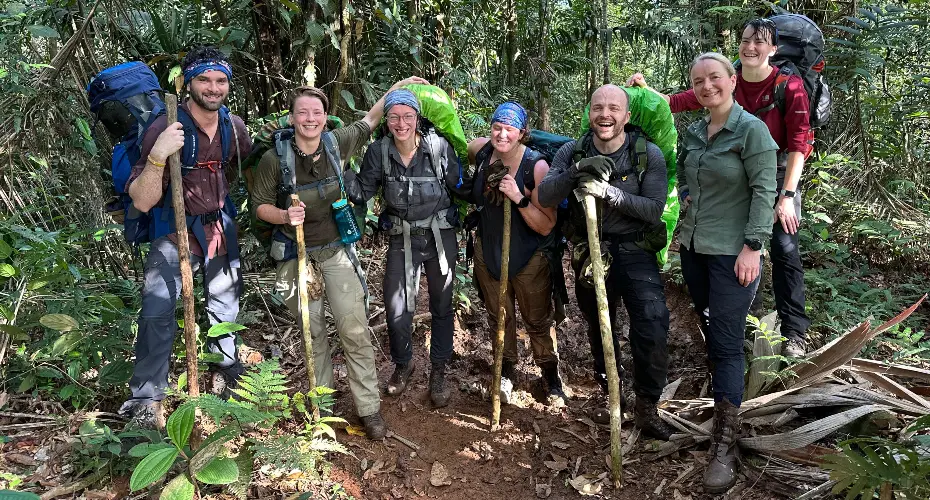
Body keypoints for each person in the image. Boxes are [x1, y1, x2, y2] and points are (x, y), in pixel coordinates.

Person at [251, 77, 427, 440]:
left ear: (325, 116)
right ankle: (323, 410)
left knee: (354, 327)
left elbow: (372, 120)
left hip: (336, 251)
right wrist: (284, 216)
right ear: (292, 117)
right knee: (311, 331)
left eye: (317, 112)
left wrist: (395, 88)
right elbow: (258, 207)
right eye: (303, 112)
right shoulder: (273, 160)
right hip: (293, 255)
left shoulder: (335, 143)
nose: (310, 119)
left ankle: (368, 409)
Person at [628, 18, 813, 357]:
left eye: (760, 42)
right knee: (733, 249)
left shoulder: (789, 87)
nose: (750, 47)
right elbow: (678, 101)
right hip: (731, 172)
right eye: (745, 40)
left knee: (784, 248)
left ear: (773, 49)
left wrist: (785, 198)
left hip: (778, 171)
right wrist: (643, 90)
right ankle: (738, 326)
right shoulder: (727, 81)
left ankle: (794, 333)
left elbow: (800, 145)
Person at [119, 46, 252, 428]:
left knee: (225, 307)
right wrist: (160, 155)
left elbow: (245, 162)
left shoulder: (233, 126)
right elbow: (143, 201)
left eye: (220, 80)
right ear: (187, 83)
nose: (213, 88)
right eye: (204, 80)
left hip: (219, 228)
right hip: (173, 232)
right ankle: (145, 401)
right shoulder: (165, 127)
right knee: (157, 314)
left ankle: (225, 373)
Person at [537, 85, 674, 440]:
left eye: (614, 108)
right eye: (598, 107)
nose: (605, 114)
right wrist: (577, 171)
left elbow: (653, 210)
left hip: (634, 250)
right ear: (589, 113)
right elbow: (546, 194)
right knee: (600, 326)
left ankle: (646, 406)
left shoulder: (648, 154)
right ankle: (611, 391)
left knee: (652, 324)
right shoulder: (572, 150)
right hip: (589, 251)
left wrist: (606, 192)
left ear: (627, 116)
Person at [677, 52, 777, 492]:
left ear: (732, 80)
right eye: (698, 81)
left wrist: (753, 246)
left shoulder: (750, 130)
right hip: (695, 249)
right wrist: (683, 208)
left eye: (714, 78)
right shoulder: (696, 131)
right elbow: (687, 178)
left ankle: (725, 441)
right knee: (710, 330)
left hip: (734, 254)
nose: (706, 87)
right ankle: (723, 402)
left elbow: (765, 190)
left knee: (727, 340)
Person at [344, 89, 469, 408]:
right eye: (394, 116)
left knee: (442, 305)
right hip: (402, 239)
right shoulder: (379, 152)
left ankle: (438, 371)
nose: (401, 123)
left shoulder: (438, 147)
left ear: (417, 118)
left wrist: (492, 183)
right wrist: (340, 166)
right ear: (386, 120)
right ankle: (404, 363)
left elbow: (461, 186)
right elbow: (362, 191)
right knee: (397, 308)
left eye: (408, 116)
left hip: (441, 236)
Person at [466, 102, 566, 407]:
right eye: (497, 127)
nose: (502, 134)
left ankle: (550, 375)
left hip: (530, 255)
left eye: (510, 129)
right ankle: (506, 370)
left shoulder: (536, 166)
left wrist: (519, 197)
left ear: (522, 133)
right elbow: (465, 146)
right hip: (489, 249)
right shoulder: (483, 153)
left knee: (536, 319)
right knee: (500, 316)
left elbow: (547, 226)